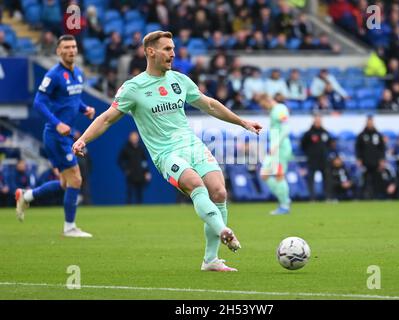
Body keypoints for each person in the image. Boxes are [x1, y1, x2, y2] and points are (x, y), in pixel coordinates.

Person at [72, 31, 262, 272]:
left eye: (173, 48)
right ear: (150, 52)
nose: (173, 53)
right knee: (195, 184)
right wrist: (83, 140)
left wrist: (243, 122)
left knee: (219, 192)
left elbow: (210, 105)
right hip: (166, 154)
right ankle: (222, 229)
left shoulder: (180, 80)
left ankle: (211, 260)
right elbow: (108, 119)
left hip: (192, 145)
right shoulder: (133, 88)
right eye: (167, 49)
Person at [15, 35, 96, 237]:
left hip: (64, 136)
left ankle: (27, 195)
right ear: (58, 51)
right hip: (55, 135)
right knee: (76, 180)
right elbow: (38, 102)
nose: (71, 50)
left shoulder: (77, 73)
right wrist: (57, 123)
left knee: (65, 184)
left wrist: (85, 108)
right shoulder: (53, 74)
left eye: (73, 46)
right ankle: (69, 228)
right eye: (66, 47)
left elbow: (72, 100)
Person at [258, 93, 293, 215]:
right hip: (275, 148)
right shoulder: (274, 111)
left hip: (281, 148)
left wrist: (276, 144)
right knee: (264, 174)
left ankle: (284, 204)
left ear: (268, 100)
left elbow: (286, 129)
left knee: (279, 175)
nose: (263, 108)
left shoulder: (280, 109)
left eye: (263, 105)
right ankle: (284, 199)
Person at [301, 114, 332, 200]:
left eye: (319, 120)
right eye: (316, 120)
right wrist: (309, 153)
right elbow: (303, 145)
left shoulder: (325, 133)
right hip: (312, 160)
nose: (318, 122)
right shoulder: (308, 134)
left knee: (327, 179)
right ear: (314, 121)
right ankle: (312, 197)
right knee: (311, 179)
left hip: (323, 159)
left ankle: (328, 197)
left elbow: (330, 145)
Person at [355, 115, 386, 199]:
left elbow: (382, 148)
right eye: (368, 122)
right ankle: (364, 197)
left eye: (371, 122)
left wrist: (382, 159)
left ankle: (376, 197)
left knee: (376, 180)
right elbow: (358, 148)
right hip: (365, 162)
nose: (370, 124)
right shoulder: (361, 135)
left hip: (376, 162)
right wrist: (359, 159)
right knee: (364, 180)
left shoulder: (378, 135)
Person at [118, 131, 152, 204]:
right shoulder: (126, 149)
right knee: (130, 193)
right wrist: (126, 169)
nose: (135, 139)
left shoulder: (141, 148)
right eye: (133, 138)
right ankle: (128, 207)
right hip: (131, 175)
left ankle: (140, 209)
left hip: (140, 174)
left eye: (136, 138)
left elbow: (145, 161)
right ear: (130, 138)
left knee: (139, 193)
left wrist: (147, 172)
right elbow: (120, 160)